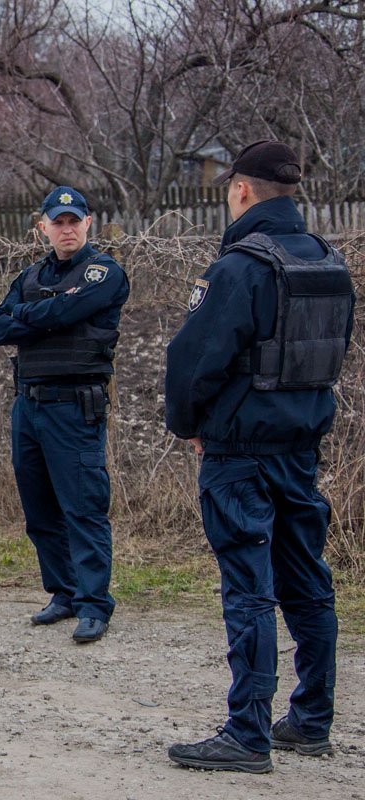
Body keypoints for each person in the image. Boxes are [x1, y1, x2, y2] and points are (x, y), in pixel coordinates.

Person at [165, 140, 354, 773]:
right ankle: (311, 719)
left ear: (241, 190)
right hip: (301, 450)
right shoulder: (330, 263)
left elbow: (191, 360)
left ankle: (247, 734)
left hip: (239, 454)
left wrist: (188, 424)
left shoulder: (240, 267)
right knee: (307, 582)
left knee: (249, 589)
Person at [0, 186, 128, 644]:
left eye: (75, 220)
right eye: (58, 221)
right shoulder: (30, 275)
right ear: (42, 226)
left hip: (75, 406)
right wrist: (51, 313)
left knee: (83, 508)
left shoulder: (103, 271)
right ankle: (64, 592)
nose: (66, 229)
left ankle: (94, 604)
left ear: (88, 223)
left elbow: (72, 308)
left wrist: (33, 316)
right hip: (29, 405)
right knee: (40, 509)